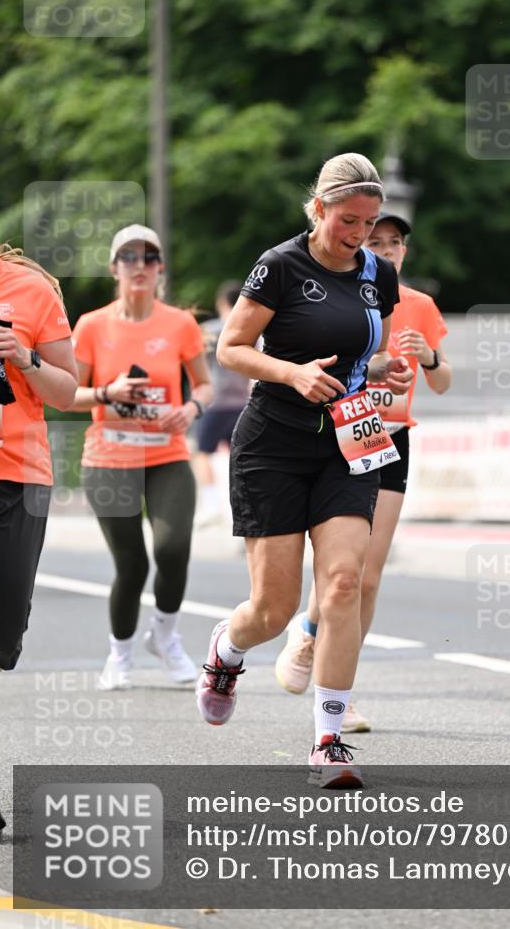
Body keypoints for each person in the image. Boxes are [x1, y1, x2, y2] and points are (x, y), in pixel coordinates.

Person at [195, 153, 413, 788]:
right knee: (273, 606)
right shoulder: (280, 265)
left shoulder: (378, 274)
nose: (360, 236)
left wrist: (380, 372)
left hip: (349, 437)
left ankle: (328, 738)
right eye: (349, 221)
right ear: (318, 209)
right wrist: (292, 372)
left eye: (370, 225)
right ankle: (227, 650)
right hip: (274, 444)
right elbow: (229, 347)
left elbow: (363, 354)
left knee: (343, 583)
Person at [275, 213, 451, 731]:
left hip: (390, 435)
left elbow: (441, 383)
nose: (388, 249)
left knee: (367, 577)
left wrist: (432, 356)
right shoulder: (337, 290)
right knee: (343, 568)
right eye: (377, 241)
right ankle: (312, 643)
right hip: (344, 428)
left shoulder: (419, 305)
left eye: (396, 242)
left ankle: (332, 673)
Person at [70, 224, 213, 691]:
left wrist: (191, 407)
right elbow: (66, 393)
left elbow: (206, 384)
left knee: (173, 550)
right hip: (109, 457)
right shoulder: (92, 325)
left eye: (149, 257)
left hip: (166, 454)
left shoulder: (179, 324)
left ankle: (165, 637)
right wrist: (108, 392)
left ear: (160, 269)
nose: (140, 266)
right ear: (114, 268)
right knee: (131, 565)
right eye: (129, 257)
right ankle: (120, 654)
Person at [0, 195, 78, 837]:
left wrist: (23, 358)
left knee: (2, 639)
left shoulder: (29, 290)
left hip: (17, 476)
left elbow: (67, 391)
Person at [193, 281, 250, 527]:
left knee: (201, 452)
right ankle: (243, 511)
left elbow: (196, 364)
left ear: (221, 303)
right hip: (243, 404)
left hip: (215, 402)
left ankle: (210, 503)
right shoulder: (251, 328)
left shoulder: (210, 329)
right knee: (240, 460)